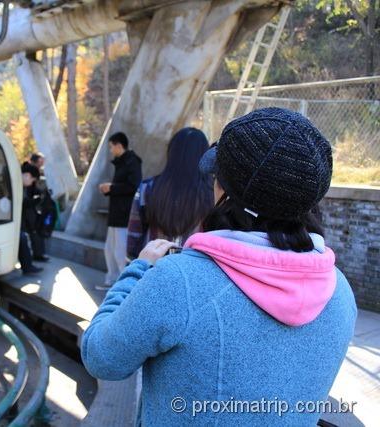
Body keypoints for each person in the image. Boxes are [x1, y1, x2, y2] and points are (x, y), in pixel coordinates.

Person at [81, 108, 357, 426]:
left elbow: (101, 358)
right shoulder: (340, 292)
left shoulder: (178, 281)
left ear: (224, 192)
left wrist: (139, 269)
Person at [127, 128, 214, 260]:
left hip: (152, 268)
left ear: (171, 152)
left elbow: (133, 236)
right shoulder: (212, 194)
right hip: (192, 270)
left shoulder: (147, 188)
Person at [97, 132, 142, 290]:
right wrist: (109, 189)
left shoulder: (132, 161)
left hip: (124, 214)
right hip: (116, 213)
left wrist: (112, 187)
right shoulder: (122, 162)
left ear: (118, 145)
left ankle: (123, 286)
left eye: (111, 146)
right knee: (109, 249)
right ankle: (112, 281)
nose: (110, 150)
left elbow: (133, 186)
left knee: (120, 251)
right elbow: (123, 187)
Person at [22, 152, 50, 262]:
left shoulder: (30, 170)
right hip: (28, 207)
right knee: (35, 230)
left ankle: (36, 254)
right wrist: (38, 198)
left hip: (30, 206)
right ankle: (37, 254)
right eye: (40, 161)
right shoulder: (30, 171)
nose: (42, 164)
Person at [19, 163, 43, 275]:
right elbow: (23, 203)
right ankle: (27, 267)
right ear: (28, 175)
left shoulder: (18, 183)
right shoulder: (16, 184)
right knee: (22, 238)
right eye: (33, 179)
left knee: (23, 238)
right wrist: (37, 200)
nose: (32, 183)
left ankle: (27, 266)